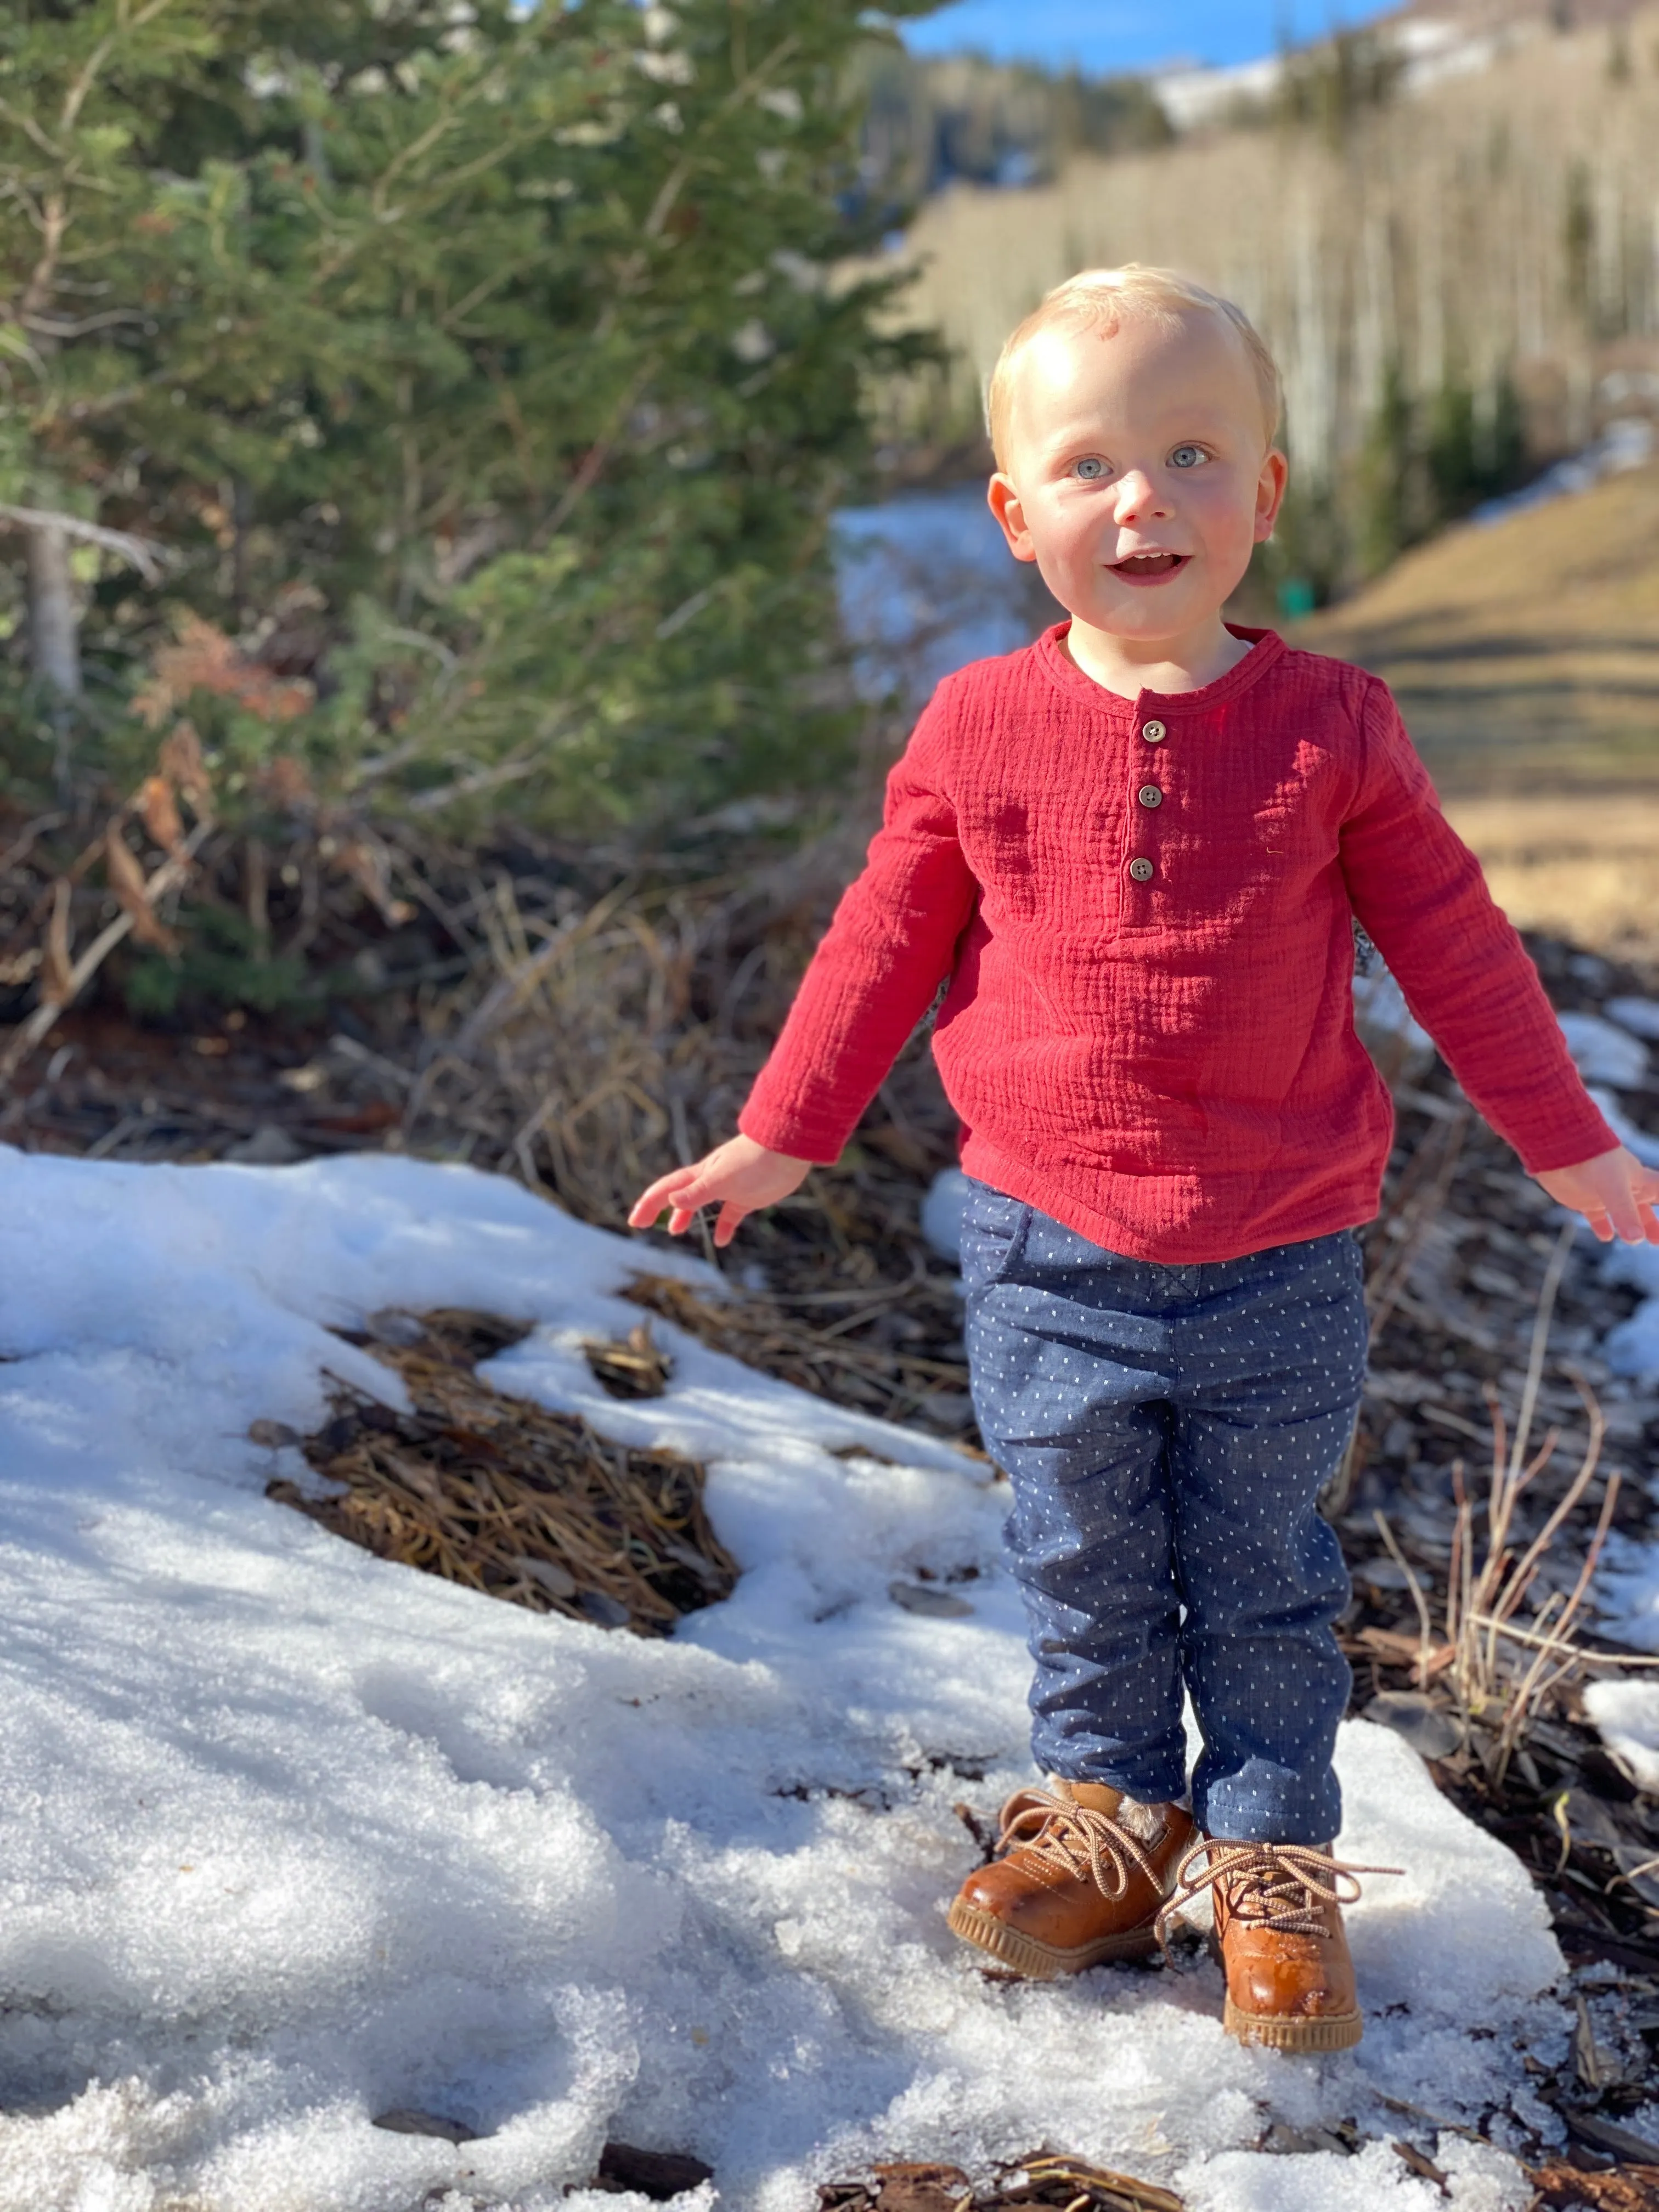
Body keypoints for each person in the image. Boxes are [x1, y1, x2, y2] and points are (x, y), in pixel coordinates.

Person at [629, 266, 1659, 2053]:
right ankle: (1108, 1824)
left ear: (1264, 495)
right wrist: (782, 1131)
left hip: (1279, 1247)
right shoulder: (976, 725)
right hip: (1046, 1245)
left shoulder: (1335, 725)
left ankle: (1268, 1858)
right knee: (1086, 1560)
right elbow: (884, 941)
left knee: (1262, 1571)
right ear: (1018, 514)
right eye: (1093, 463)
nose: (1145, 500)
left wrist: (1563, 1140)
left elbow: (1459, 945)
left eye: (1194, 455)